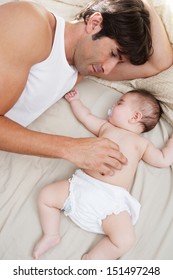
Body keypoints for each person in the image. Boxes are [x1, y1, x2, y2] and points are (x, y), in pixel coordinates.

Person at [0, 1, 172, 175]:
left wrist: (142, 4)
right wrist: (71, 148)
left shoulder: (81, 68)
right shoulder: (29, 22)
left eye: (118, 62)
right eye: (113, 53)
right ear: (94, 23)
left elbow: (159, 63)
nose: (109, 69)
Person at [32, 88, 173, 260]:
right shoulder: (106, 127)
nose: (113, 105)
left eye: (120, 103)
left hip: (111, 200)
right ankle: (51, 234)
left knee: (126, 240)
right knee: (46, 196)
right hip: (81, 186)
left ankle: (93, 260)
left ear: (135, 117)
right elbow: (86, 117)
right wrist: (75, 101)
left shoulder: (141, 144)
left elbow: (163, 159)